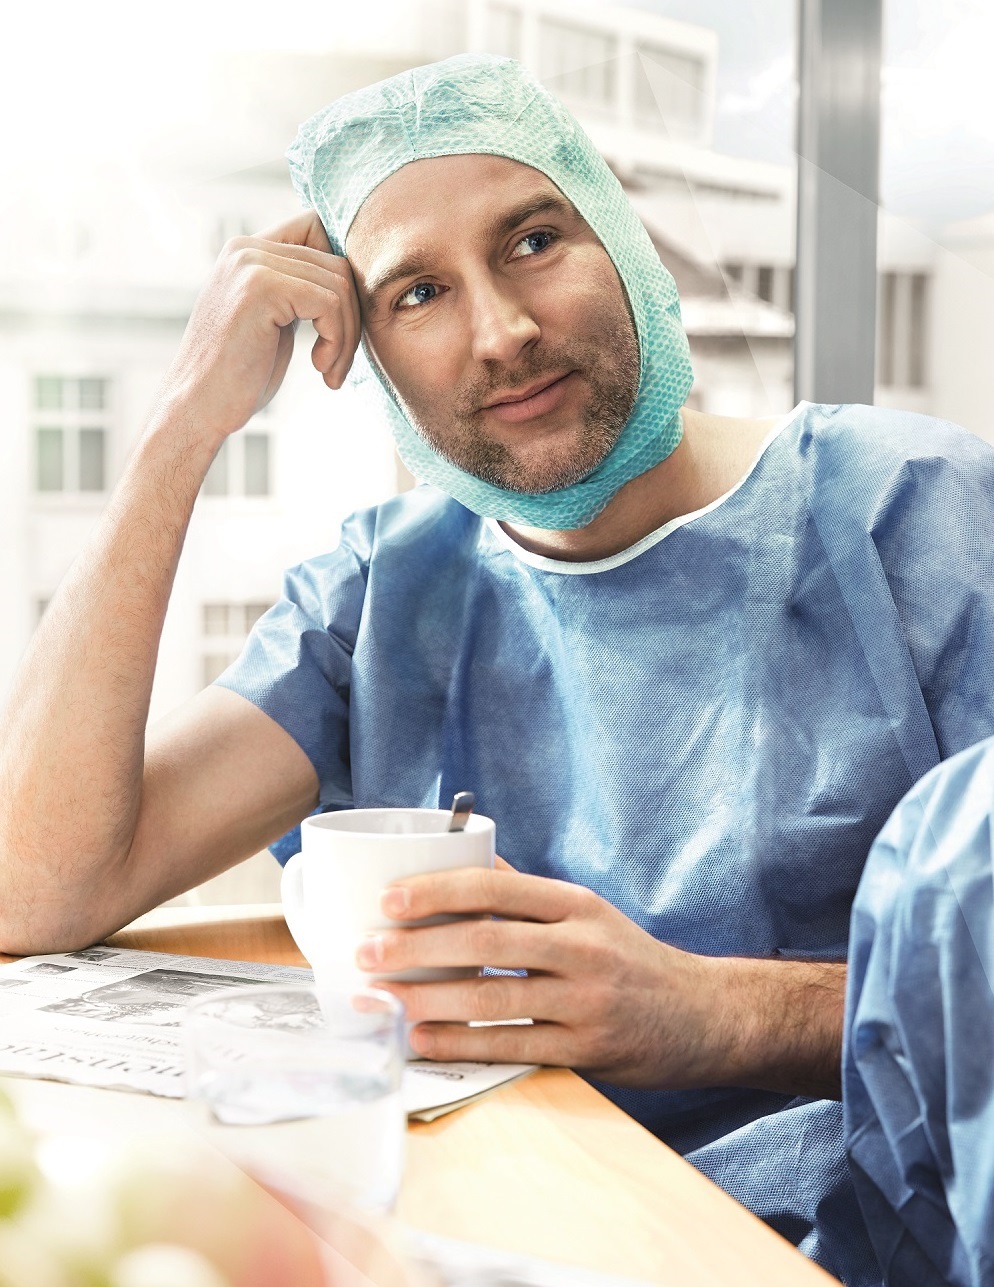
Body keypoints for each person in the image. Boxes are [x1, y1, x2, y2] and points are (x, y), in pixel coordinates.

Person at [1, 54, 993, 1285]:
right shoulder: (383, 593)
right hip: (475, 1233)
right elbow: (32, 889)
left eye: (532, 240)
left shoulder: (921, 517)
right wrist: (180, 425)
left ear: (622, 241)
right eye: (417, 293)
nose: (503, 332)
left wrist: (713, 1012)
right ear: (366, 356)